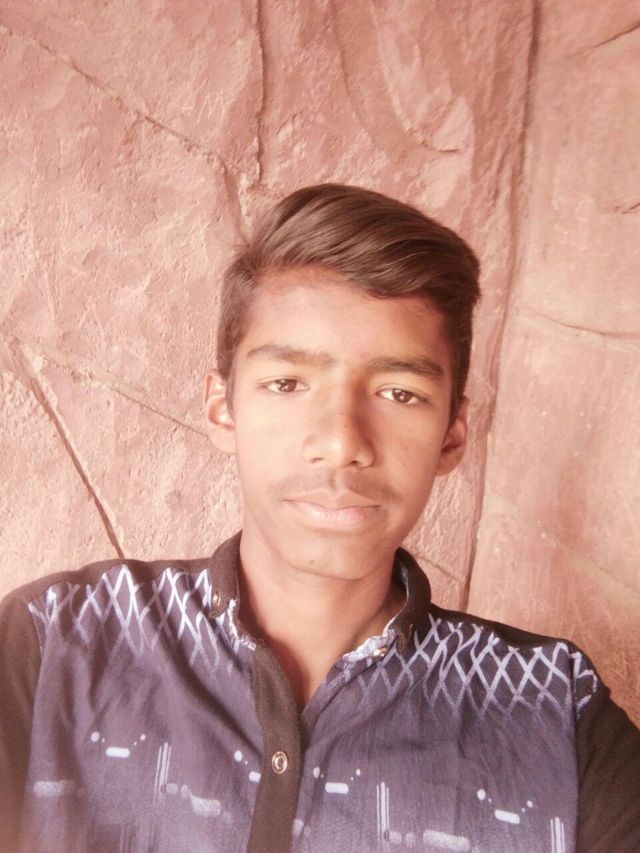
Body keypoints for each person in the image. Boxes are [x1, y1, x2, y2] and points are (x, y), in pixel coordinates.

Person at [1, 184, 638, 853]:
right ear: (223, 409)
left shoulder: (553, 708)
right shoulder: (56, 641)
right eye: (287, 384)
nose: (341, 441)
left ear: (452, 434)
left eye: (400, 393)